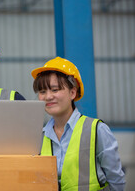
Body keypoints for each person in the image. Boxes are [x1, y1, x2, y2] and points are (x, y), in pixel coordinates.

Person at [31, 57, 126, 191]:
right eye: (42, 91)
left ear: (72, 92)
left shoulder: (97, 130)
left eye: (55, 89)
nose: (48, 97)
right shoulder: (39, 137)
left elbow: (116, 180)